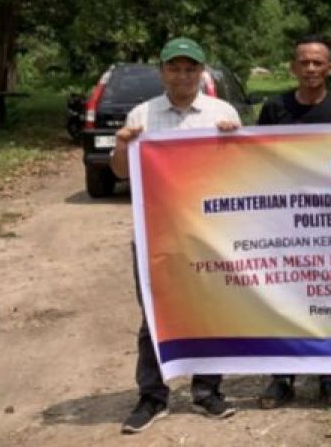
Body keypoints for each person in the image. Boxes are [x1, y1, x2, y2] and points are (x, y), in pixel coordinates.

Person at [111, 37, 242, 435]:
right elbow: (120, 173)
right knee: (155, 313)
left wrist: (235, 140)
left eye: (190, 68)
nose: (182, 75)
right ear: (162, 71)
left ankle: (207, 391)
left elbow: (243, 172)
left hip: (207, 231)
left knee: (208, 308)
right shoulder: (143, 114)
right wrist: (121, 145)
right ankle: (152, 396)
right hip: (158, 233)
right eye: (174, 68)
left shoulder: (222, 112)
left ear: (202, 71)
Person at [255, 36, 331, 410]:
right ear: (293, 67)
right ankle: (281, 377)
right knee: (285, 296)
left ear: (330, 67)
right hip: (285, 220)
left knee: (329, 296)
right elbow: (255, 158)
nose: (311, 69)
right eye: (305, 62)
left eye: (319, 63)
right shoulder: (274, 108)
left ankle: (330, 373)